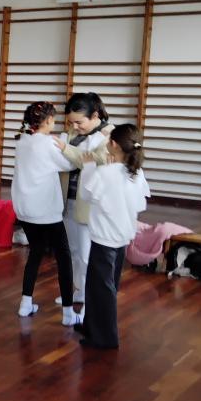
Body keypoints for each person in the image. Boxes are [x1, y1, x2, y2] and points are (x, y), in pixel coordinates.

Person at [77, 125, 150, 350]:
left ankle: (105, 337)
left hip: (104, 239)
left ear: (114, 145)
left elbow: (86, 194)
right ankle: (92, 327)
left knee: (101, 290)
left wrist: (89, 166)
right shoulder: (136, 172)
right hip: (121, 238)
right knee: (105, 287)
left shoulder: (105, 173)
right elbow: (139, 204)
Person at [11, 102, 80, 325]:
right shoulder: (48, 143)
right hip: (46, 212)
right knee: (64, 258)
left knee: (36, 252)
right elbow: (69, 165)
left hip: (24, 209)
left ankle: (25, 303)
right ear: (49, 120)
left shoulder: (22, 140)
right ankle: (68, 313)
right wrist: (65, 144)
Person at [55, 93, 113, 303]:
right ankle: (78, 291)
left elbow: (95, 161)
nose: (74, 126)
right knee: (71, 251)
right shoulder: (73, 132)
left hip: (90, 205)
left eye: (79, 122)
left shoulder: (109, 135)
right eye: (71, 122)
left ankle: (91, 296)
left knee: (87, 255)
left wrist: (65, 149)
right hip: (68, 200)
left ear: (95, 115)